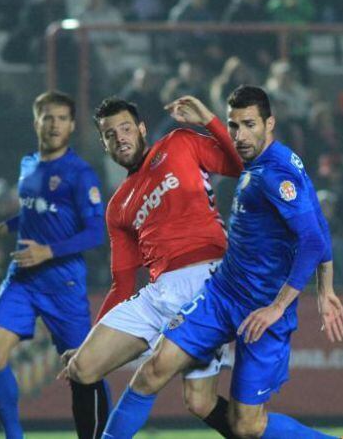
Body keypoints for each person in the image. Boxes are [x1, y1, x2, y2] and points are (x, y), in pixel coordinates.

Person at [101, 85, 343, 439]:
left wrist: (279, 307)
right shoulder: (268, 162)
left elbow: (311, 240)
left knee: (246, 426)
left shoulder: (275, 174)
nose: (240, 136)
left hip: (261, 310)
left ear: (270, 123)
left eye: (249, 125)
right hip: (221, 295)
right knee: (154, 370)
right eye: (234, 126)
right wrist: (326, 288)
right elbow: (317, 226)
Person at [59, 95, 243, 437]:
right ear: (104, 144)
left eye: (126, 128)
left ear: (142, 129)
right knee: (82, 367)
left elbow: (239, 165)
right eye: (110, 134)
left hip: (207, 281)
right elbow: (123, 284)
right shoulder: (117, 206)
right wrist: (91, 339)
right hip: (159, 292)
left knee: (195, 400)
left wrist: (207, 119)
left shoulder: (179, 143)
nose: (120, 138)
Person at [0, 91, 108, 439]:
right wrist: (4, 228)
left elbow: (96, 231)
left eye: (62, 118)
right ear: (36, 121)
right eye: (47, 117)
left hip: (62, 282)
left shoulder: (80, 174)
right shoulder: (28, 165)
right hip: (22, 277)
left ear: (72, 125)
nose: (54, 125)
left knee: (86, 369)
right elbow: (35, 211)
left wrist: (48, 252)